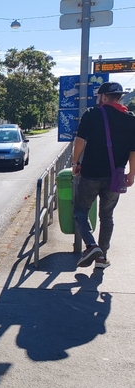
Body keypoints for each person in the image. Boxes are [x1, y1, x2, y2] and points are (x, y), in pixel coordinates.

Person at [72, 81, 135, 269]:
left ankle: (91, 245)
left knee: (80, 210)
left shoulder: (93, 115)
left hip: (91, 173)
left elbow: (80, 141)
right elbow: (133, 150)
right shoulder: (131, 119)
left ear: (103, 96)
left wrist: (76, 163)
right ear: (120, 97)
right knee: (107, 216)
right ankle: (102, 258)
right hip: (115, 176)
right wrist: (132, 173)